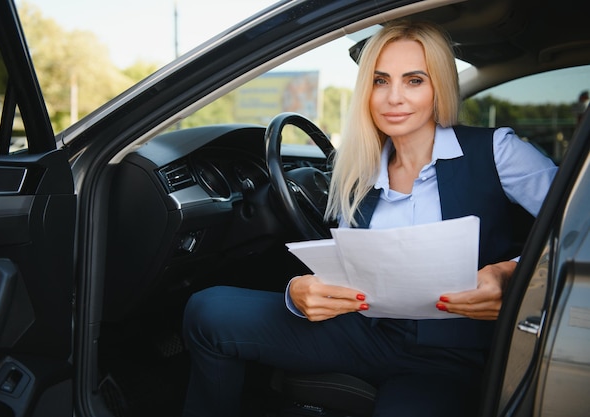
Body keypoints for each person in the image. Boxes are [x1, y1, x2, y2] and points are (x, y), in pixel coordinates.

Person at [181, 20, 557, 417]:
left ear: (439, 87)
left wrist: (513, 275)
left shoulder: (497, 151)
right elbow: (348, 265)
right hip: (363, 331)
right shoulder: (357, 166)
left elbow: (578, 227)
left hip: (451, 354)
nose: (394, 97)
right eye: (381, 81)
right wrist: (298, 293)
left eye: (414, 80)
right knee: (208, 311)